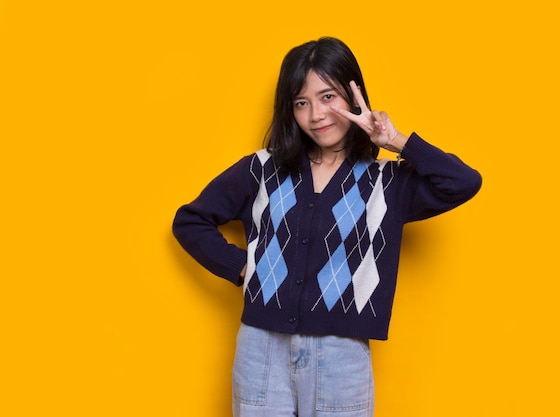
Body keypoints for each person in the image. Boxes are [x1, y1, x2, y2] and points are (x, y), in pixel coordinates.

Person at [172, 36, 482, 417]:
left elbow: (464, 182)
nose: (315, 114)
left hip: (342, 355)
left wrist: (395, 140)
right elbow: (190, 220)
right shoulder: (262, 169)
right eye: (301, 103)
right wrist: (243, 266)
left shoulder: (387, 183)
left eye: (328, 97)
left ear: (353, 97)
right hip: (261, 350)